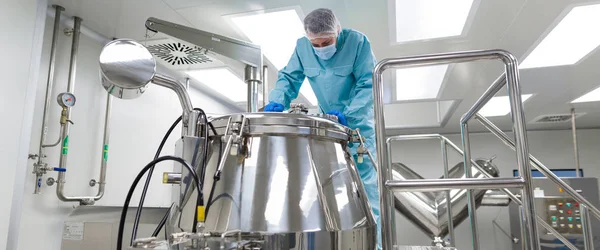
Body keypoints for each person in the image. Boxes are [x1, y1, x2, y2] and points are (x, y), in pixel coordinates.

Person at [263, 8, 381, 249]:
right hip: (329, 125)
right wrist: (277, 100)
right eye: (315, 44)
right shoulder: (302, 47)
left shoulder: (358, 42)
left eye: (326, 42)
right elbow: (289, 78)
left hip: (358, 127)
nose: (320, 49)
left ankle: (372, 245)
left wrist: (349, 115)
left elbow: (368, 83)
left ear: (338, 31)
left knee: (366, 188)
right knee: (329, 187)